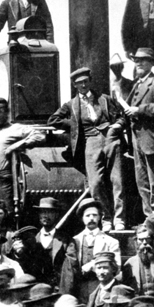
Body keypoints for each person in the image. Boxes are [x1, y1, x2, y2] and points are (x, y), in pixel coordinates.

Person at [48, 67, 125, 229]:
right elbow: (53, 120)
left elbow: (121, 116)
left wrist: (117, 125)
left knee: (117, 180)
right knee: (95, 183)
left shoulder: (104, 99)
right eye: (79, 83)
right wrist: (75, 125)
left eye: (85, 81)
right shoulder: (71, 105)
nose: (83, 85)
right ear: (75, 85)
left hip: (110, 138)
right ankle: (105, 218)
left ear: (90, 81)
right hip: (90, 142)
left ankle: (119, 219)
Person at [123, 48, 154, 218]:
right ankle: (149, 217)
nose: (139, 63)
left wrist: (139, 110)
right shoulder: (137, 84)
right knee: (142, 181)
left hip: (152, 139)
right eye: (136, 60)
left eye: (144, 60)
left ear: (152, 63)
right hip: (137, 139)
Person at [0, 98, 45, 213]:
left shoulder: (15, 128)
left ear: (7, 113)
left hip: (3, 179)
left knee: (7, 214)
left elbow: (40, 135)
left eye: (0, 112)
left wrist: (18, 145)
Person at [61, 201, 120, 305]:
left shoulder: (111, 241)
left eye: (95, 215)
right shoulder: (75, 241)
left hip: (101, 286)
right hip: (80, 288)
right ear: (82, 218)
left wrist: (93, 264)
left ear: (100, 218)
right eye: (88, 215)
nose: (91, 218)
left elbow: (117, 266)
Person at [22, 197, 69, 286]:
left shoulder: (65, 240)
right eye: (42, 212)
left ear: (56, 215)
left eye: (50, 212)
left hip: (57, 289)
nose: (45, 215)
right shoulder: (32, 241)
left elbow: (69, 271)